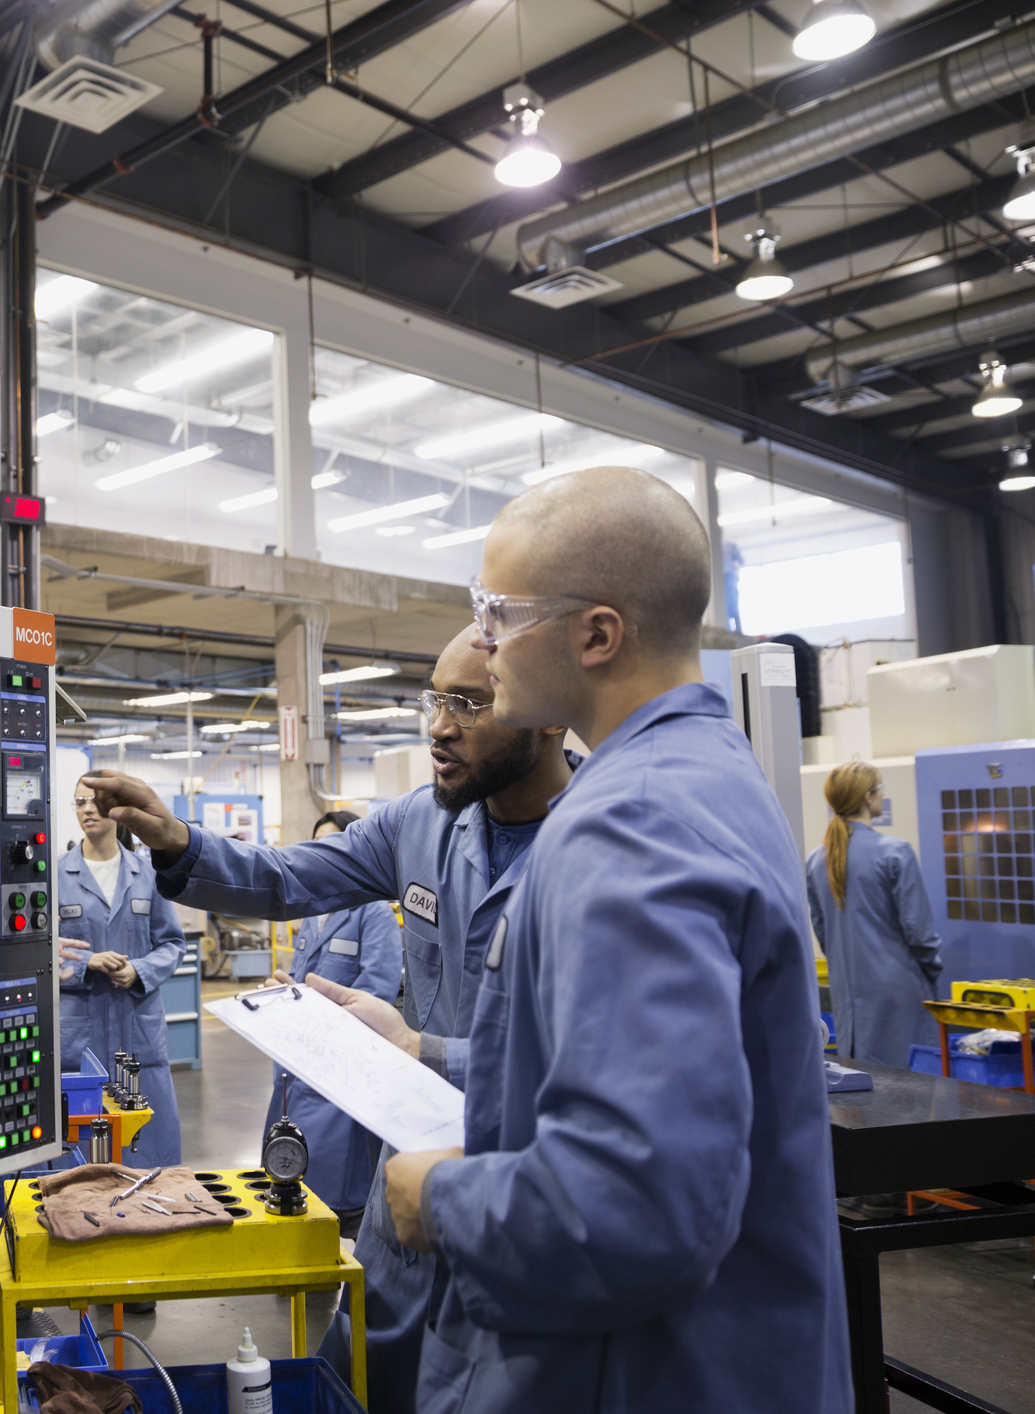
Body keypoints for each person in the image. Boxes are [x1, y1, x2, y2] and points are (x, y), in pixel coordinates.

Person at [361, 465, 848, 1414]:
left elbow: (632, 1204)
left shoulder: (628, 822)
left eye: (499, 612)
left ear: (596, 633)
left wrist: (442, 1203)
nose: (482, 639)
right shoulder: (707, 773)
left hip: (641, 1377)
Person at [79, 621, 574, 1414]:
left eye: (469, 704)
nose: (440, 725)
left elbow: (593, 1067)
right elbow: (284, 878)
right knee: (364, 1382)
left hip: (528, 1193)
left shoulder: (601, 846)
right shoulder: (419, 822)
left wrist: (423, 1049)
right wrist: (177, 843)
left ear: (549, 711)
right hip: (405, 1193)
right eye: (434, 699)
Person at [262, 811, 402, 1232]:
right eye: (318, 845)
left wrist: (319, 1018)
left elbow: (377, 982)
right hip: (298, 1058)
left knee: (337, 1172)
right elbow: (305, 973)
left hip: (341, 1061)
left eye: (336, 844)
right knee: (292, 1157)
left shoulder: (372, 911)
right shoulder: (311, 912)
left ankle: (340, 1232)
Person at [57, 788, 188, 1169]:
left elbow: (172, 943)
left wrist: (140, 970)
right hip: (81, 1032)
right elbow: (35, 951)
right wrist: (86, 961)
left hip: (137, 1029)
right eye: (78, 801)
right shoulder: (55, 877)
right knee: (79, 1152)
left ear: (115, 809)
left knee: (148, 1151)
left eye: (93, 801)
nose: (86, 809)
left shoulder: (148, 875)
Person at [808, 760, 942, 1065]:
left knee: (865, 1092)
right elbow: (919, 933)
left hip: (847, 992)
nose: (882, 795)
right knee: (913, 1092)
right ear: (868, 797)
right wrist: (932, 971)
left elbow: (823, 932)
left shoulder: (817, 860)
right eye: (880, 789)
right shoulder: (895, 852)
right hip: (899, 991)